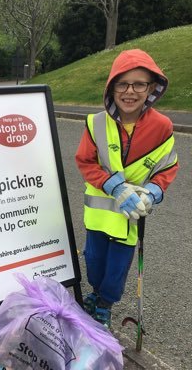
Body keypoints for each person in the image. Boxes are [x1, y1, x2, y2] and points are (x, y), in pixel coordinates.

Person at [75, 49, 178, 328]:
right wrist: (115, 186)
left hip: (130, 218)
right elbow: (85, 161)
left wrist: (153, 192)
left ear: (152, 88)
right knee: (94, 261)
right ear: (112, 87)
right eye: (122, 83)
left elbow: (168, 167)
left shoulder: (162, 127)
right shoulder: (96, 123)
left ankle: (106, 304)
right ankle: (94, 294)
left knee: (118, 267)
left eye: (139, 84)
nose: (130, 91)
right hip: (98, 215)